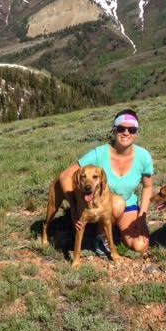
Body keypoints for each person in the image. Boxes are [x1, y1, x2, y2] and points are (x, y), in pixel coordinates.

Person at [59, 109, 154, 254]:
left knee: (140, 246)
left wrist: (142, 216)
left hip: (128, 205)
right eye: (121, 128)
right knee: (117, 203)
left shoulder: (143, 156)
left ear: (136, 132)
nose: (126, 133)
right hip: (102, 204)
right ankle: (100, 235)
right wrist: (73, 207)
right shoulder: (99, 153)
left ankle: (114, 227)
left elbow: (148, 187)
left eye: (132, 129)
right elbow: (65, 176)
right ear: (114, 130)